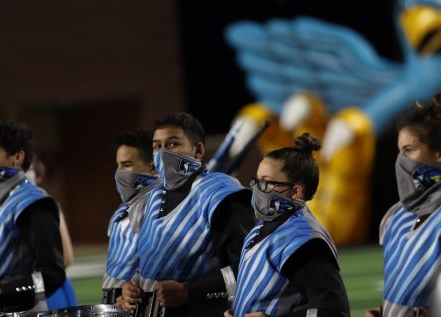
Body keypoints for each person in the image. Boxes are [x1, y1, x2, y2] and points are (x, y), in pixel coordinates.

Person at [120, 112, 255, 317]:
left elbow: (249, 269)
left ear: (198, 150)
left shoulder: (222, 195)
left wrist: (190, 292)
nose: (162, 153)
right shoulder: (152, 197)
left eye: (173, 144)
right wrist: (132, 287)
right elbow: (152, 264)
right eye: (157, 146)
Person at [225, 133, 350, 317]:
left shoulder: (303, 240)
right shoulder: (262, 227)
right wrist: (235, 308)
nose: (257, 189)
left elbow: (334, 311)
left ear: (296, 191)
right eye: (257, 181)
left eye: (266, 182)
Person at [0, 121, 66, 313]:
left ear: (17, 158)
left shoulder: (33, 203)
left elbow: (53, 275)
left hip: (22, 310)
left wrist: (4, 292)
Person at [366, 94, 441, 317]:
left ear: (438, 154)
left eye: (409, 150)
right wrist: (384, 311)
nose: (401, 160)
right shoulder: (395, 216)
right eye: (399, 151)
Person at [102, 130, 159, 304]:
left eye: (127, 165)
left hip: (137, 304)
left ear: (153, 167)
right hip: (114, 303)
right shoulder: (125, 207)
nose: (119, 173)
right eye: (118, 165)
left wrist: (129, 293)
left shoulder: (158, 206)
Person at [25, 156, 78, 309]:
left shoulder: (46, 205)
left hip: (48, 291)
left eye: (27, 170)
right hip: (23, 291)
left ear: (39, 175)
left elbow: (67, 258)